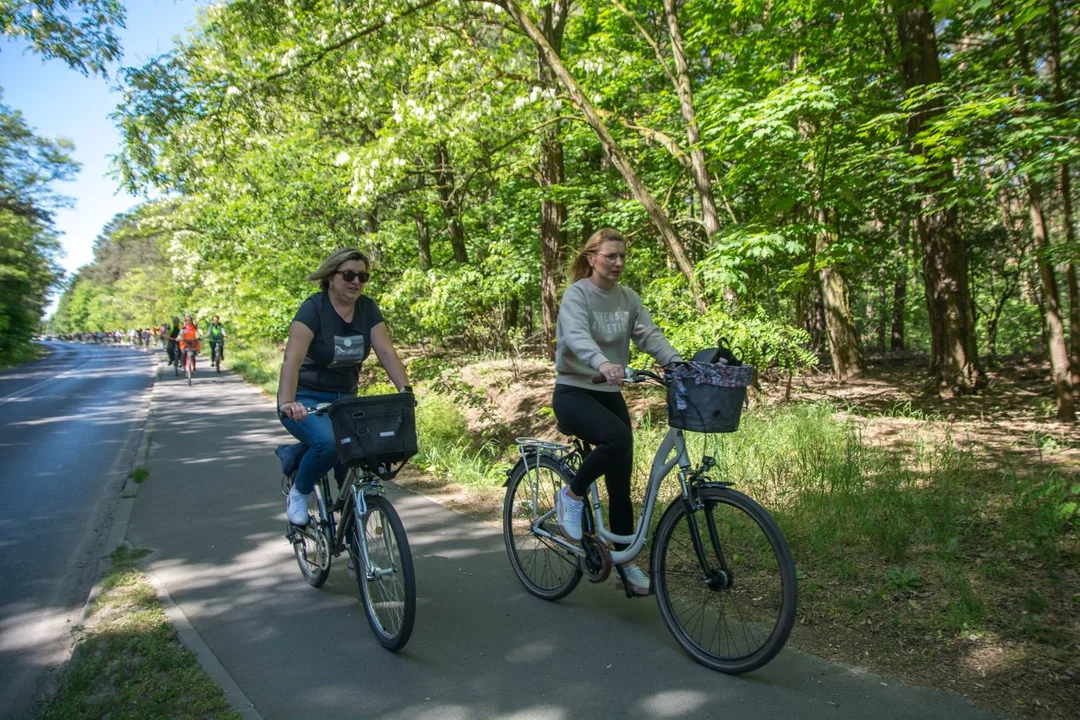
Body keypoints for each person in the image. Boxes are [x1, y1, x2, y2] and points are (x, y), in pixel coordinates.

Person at [552, 228, 682, 597]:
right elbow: (577, 337)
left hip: (608, 393)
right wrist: (604, 362)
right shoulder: (577, 295)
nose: (619, 263)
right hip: (574, 392)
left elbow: (649, 335)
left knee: (621, 483)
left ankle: (625, 562)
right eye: (611, 256)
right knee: (619, 438)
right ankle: (572, 495)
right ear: (592, 257)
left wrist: (676, 363)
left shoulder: (627, 298)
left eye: (623, 256)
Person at [277, 248, 412, 525]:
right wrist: (288, 402)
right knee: (328, 444)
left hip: (345, 402)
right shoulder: (314, 308)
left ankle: (355, 547)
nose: (356, 282)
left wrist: (404, 391)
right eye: (349, 275)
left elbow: (386, 351)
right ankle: (300, 491)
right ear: (331, 277)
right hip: (306, 399)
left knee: (354, 464)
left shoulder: (367, 309)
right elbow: (292, 358)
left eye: (363, 277)